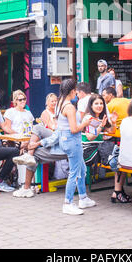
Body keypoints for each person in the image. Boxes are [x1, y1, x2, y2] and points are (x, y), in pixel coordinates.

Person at [57, 78, 96, 215]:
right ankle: (68, 202)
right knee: (74, 172)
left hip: (65, 140)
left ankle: (83, 198)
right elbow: (74, 129)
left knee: (81, 169)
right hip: (73, 141)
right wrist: (85, 123)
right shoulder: (70, 107)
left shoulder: (60, 103)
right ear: (73, 91)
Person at [12, 125, 67, 198]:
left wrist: (37, 143)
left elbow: (60, 134)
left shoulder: (72, 114)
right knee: (37, 128)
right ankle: (29, 154)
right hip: (60, 136)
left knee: (34, 154)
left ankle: (26, 188)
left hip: (67, 141)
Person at [81, 93, 116, 168]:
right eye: (96, 103)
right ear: (91, 105)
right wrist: (101, 126)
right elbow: (90, 137)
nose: (99, 106)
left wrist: (113, 122)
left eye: (101, 103)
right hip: (88, 151)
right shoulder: (88, 118)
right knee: (113, 153)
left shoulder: (102, 118)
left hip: (100, 149)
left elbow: (111, 131)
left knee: (116, 151)